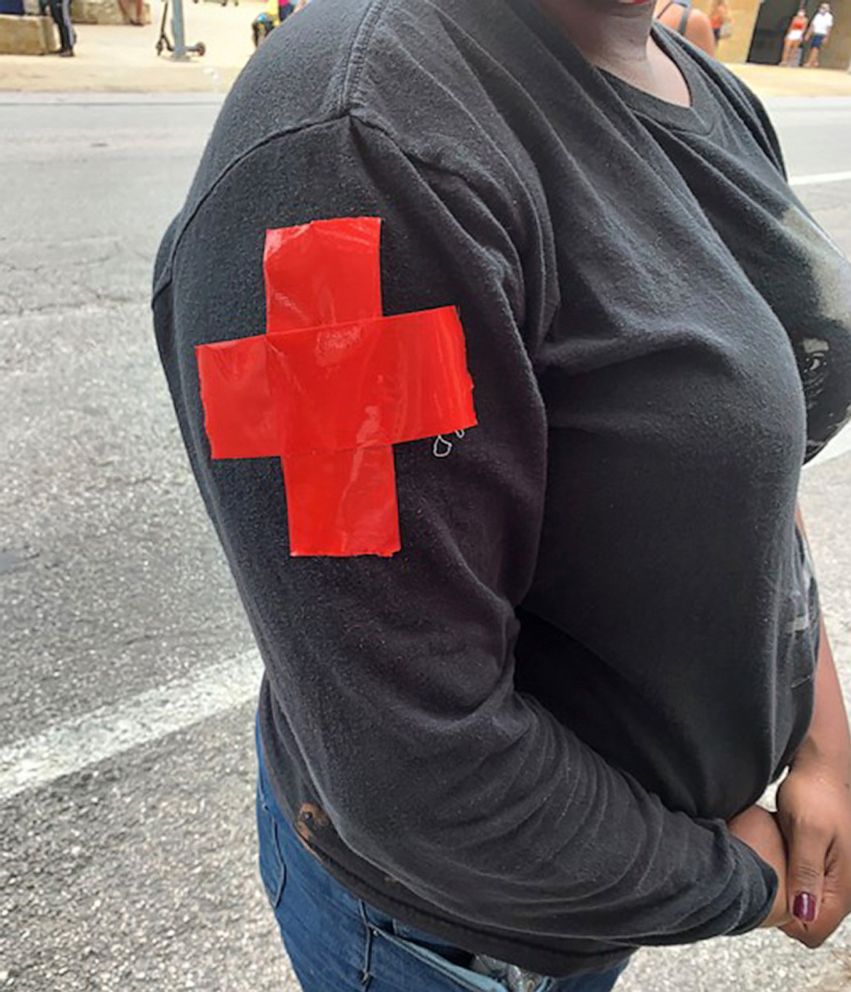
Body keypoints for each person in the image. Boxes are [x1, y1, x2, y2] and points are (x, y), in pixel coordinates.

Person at [152, 0, 851, 989]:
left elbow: (752, 473)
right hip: (452, 939)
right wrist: (735, 881)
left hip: (602, 889)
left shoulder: (704, 89)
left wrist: (822, 735)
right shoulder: (352, 150)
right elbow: (418, 768)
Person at [805, 2, 834, 66]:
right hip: (815, 33)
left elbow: (828, 28)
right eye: (821, 7)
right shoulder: (817, 15)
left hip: (821, 34)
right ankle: (815, 62)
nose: (822, 9)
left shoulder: (829, 17)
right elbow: (812, 25)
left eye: (824, 8)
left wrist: (826, 37)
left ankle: (809, 62)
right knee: (813, 47)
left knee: (815, 48)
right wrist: (808, 34)